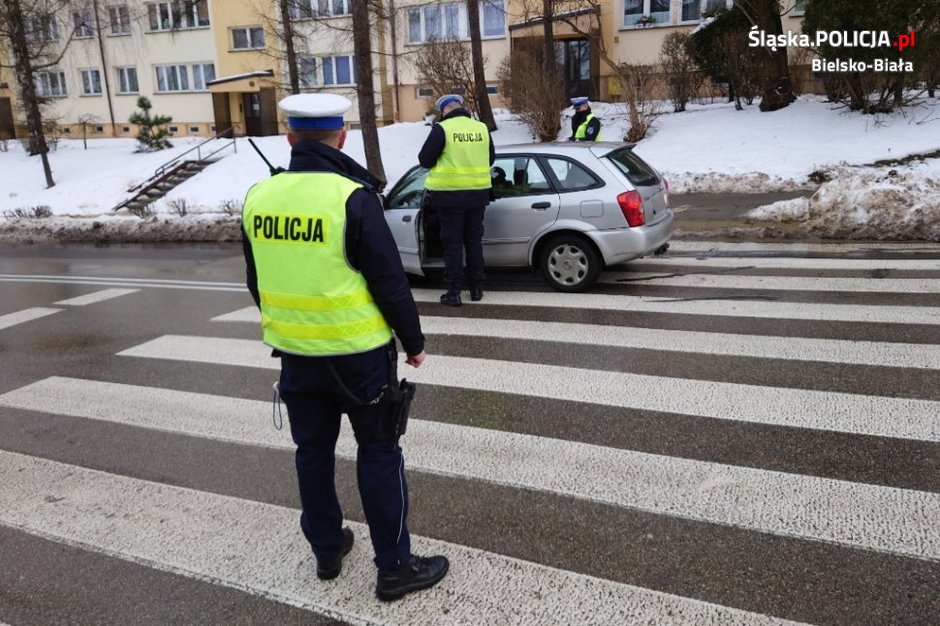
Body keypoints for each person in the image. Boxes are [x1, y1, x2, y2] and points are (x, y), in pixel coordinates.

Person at [241, 93, 449, 602]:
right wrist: (414, 341)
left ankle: (328, 549)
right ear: (342, 137)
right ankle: (395, 569)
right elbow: (388, 280)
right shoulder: (353, 197)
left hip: (295, 355)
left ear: (290, 138)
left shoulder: (258, 197)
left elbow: (256, 280)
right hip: (358, 356)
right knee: (379, 452)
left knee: (312, 453)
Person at [419, 94, 495, 307]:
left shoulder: (442, 129)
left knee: (453, 245)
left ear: (444, 111)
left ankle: (453, 292)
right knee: (473, 242)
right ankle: (477, 288)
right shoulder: (481, 128)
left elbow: (425, 160)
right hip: (478, 196)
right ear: (461, 107)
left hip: (450, 197)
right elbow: (490, 159)